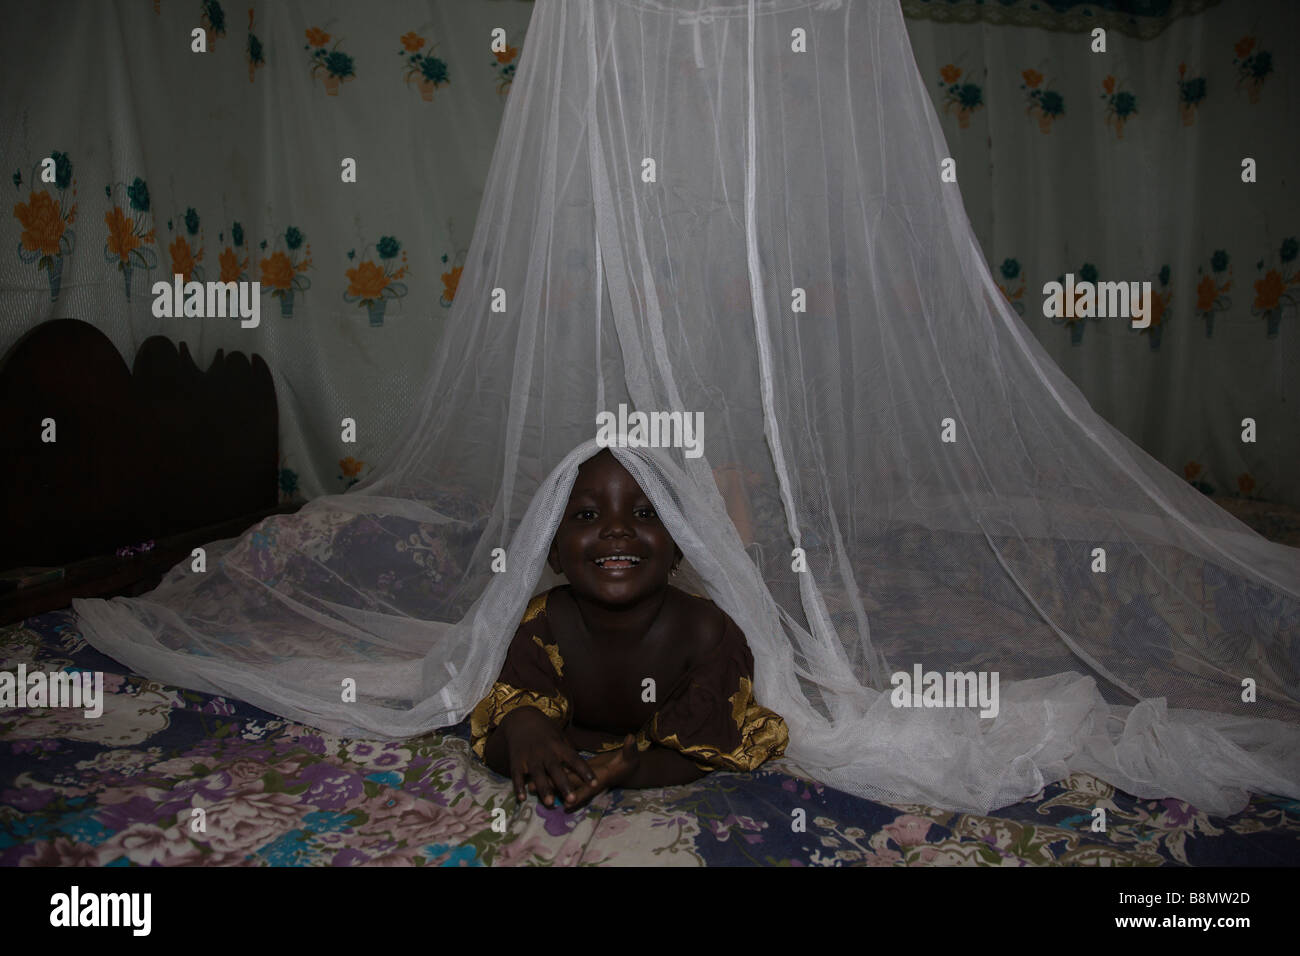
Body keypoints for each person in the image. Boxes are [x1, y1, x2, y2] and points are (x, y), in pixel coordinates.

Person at [471, 447, 788, 811]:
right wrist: (522, 726)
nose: (617, 529)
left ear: (679, 547)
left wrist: (633, 771)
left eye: (644, 513)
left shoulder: (708, 635)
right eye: (587, 514)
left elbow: (706, 749)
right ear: (553, 551)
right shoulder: (538, 625)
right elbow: (496, 744)